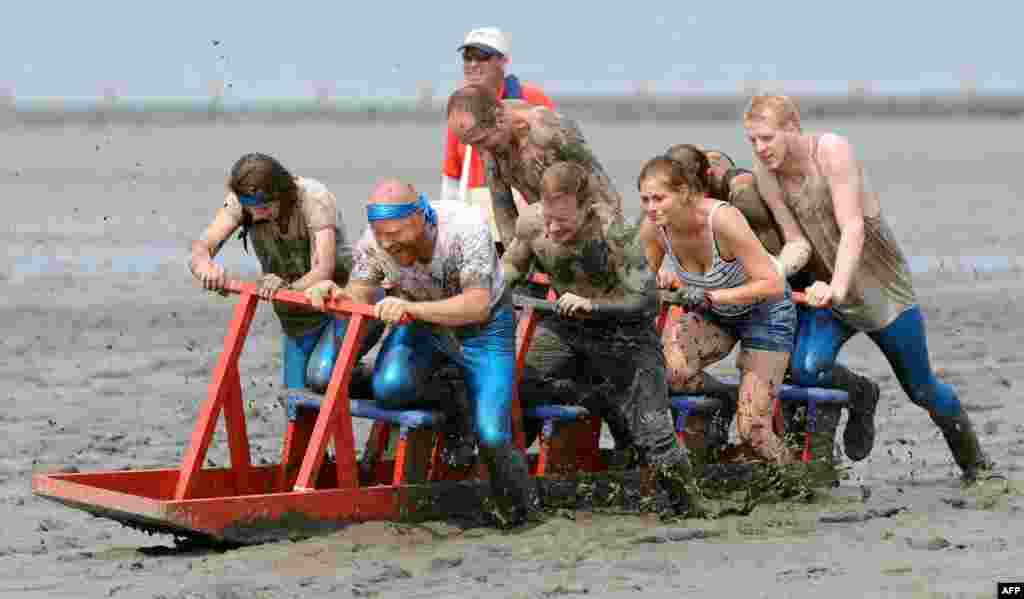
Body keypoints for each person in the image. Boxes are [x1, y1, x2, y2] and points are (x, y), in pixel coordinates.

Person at [742, 94, 993, 480]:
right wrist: (773, 272)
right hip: (828, 291)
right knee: (806, 368)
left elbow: (853, 227)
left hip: (879, 288)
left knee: (922, 389)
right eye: (753, 141)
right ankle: (862, 395)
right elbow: (798, 243)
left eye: (767, 138)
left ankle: (976, 465)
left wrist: (839, 287)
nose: (760, 149)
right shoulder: (765, 174)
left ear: (793, 127)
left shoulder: (831, 150)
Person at [303, 179, 536, 526]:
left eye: (395, 234)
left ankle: (520, 512)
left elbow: (477, 306)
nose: (387, 244)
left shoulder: (465, 228)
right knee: (390, 388)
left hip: (482, 330)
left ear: (422, 217)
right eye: (380, 234)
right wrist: (332, 291)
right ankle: (456, 393)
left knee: (491, 434)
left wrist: (411, 311)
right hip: (421, 324)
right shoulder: (375, 243)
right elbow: (360, 295)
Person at [502, 161, 702, 516]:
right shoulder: (532, 224)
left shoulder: (615, 234)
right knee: (517, 384)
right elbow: (512, 268)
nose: (552, 229)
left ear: (586, 206)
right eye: (548, 219)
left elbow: (646, 300)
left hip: (626, 334)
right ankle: (599, 399)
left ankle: (691, 509)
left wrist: (592, 305)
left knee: (654, 435)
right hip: (567, 327)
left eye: (562, 222)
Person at [664, 144, 882, 460]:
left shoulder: (745, 197)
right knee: (672, 372)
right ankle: (725, 404)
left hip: (782, 294)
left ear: (707, 180)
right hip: (725, 302)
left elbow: (787, 260)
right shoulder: (669, 206)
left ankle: (860, 393)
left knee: (799, 370)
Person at [638, 155, 797, 464]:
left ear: (683, 193)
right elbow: (640, 285)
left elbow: (773, 283)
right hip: (716, 313)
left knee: (754, 430)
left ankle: (801, 484)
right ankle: (724, 399)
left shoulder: (722, 218)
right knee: (671, 374)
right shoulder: (655, 226)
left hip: (766, 312)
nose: (651, 207)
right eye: (644, 199)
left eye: (659, 198)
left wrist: (717, 295)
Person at [188, 153, 382, 397]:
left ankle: (384, 380)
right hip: (298, 318)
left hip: (344, 304)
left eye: (265, 208)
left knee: (322, 378)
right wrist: (207, 269)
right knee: (296, 403)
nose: (256, 216)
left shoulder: (314, 198)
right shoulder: (243, 204)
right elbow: (201, 249)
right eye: (250, 209)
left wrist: (283, 289)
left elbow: (323, 270)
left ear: (283, 192)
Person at [446, 84, 624, 252]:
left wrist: (617, 246)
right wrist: (515, 269)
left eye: (481, 141)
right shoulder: (491, 150)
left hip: (590, 230)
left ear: (499, 119)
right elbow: (505, 216)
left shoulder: (549, 131)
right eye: (472, 145)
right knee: (527, 225)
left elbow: (604, 191)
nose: (479, 150)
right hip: (552, 236)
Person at [440, 27, 556, 254]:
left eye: (482, 57)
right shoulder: (462, 109)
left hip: (527, 215)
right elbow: (452, 178)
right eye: (467, 57)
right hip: (478, 222)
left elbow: (556, 162)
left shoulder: (532, 100)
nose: (473, 64)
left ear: (503, 61)